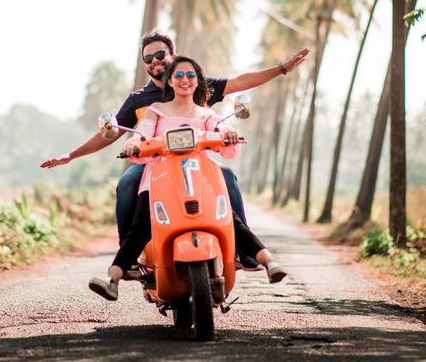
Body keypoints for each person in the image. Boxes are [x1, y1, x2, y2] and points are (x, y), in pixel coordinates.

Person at [40, 31, 309, 264]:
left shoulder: (194, 84)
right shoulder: (139, 100)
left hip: (197, 162)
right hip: (155, 167)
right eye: (148, 58)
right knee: (125, 184)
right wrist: (71, 155)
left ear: (172, 54)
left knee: (227, 176)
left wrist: (281, 69)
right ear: (144, 65)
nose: (155, 61)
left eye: (160, 55)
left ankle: (243, 249)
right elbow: (111, 134)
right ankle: (128, 256)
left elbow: (241, 81)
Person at [88, 56, 287, 301]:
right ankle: (113, 278)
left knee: (228, 218)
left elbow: (219, 128)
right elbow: (142, 134)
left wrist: (229, 133)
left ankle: (269, 263)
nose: (185, 80)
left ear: (197, 81)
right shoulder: (156, 111)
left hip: (200, 176)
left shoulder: (205, 113)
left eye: (191, 75)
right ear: (170, 81)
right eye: (179, 75)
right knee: (142, 225)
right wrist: (134, 145)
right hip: (160, 177)